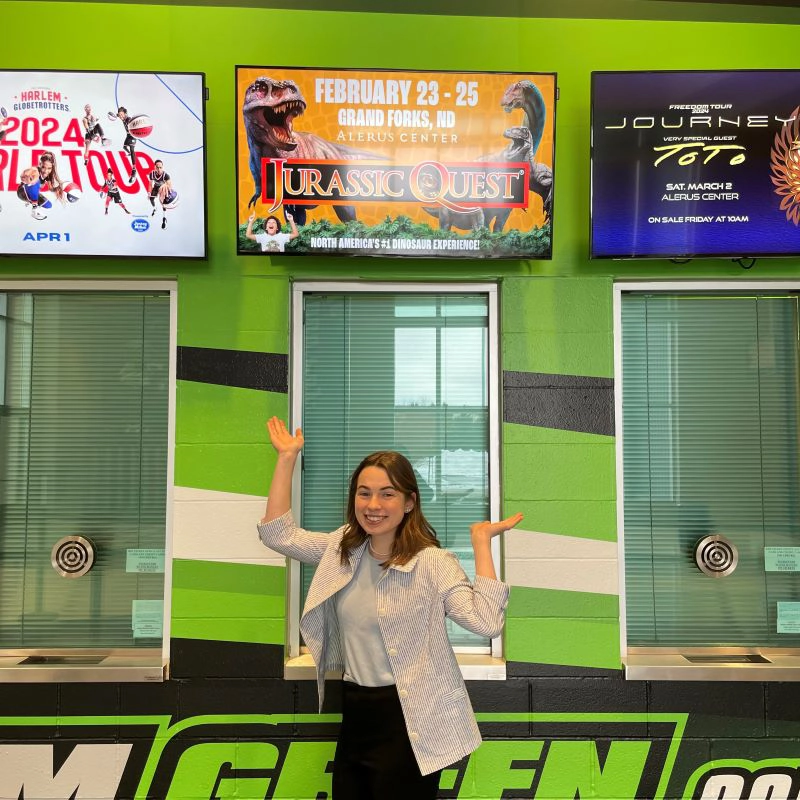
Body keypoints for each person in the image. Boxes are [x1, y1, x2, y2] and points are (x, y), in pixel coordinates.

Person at [258, 417, 523, 799]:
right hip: (357, 713)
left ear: (409, 502)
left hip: (409, 722)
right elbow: (278, 534)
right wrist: (286, 457)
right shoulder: (342, 550)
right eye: (364, 493)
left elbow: (485, 621)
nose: (373, 505)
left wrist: (482, 543)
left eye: (387, 494)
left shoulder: (432, 563)